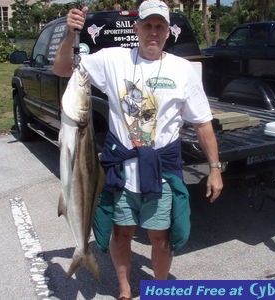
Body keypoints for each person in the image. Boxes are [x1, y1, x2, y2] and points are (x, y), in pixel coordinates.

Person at [53, 1, 223, 298]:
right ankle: (124, 288)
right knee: (122, 233)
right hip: (121, 170)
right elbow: (62, 68)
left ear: (168, 32)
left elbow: (203, 122)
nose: (153, 32)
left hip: (161, 170)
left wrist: (215, 168)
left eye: (160, 26)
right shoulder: (112, 60)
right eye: (147, 25)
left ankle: (158, 288)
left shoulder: (183, 70)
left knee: (160, 237)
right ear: (136, 28)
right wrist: (70, 34)